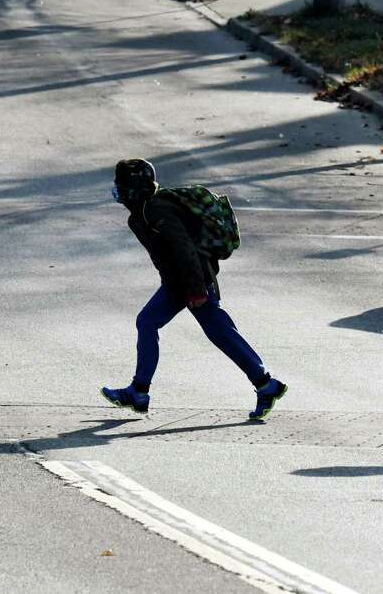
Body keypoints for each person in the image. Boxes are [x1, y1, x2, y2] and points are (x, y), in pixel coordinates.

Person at [101, 158, 287, 420]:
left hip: (192, 281)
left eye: (121, 184)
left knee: (212, 331)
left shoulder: (156, 210)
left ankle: (139, 391)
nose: (117, 190)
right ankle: (265, 385)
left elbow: (184, 248)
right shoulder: (141, 214)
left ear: (133, 187)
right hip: (180, 283)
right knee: (203, 330)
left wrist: (197, 288)